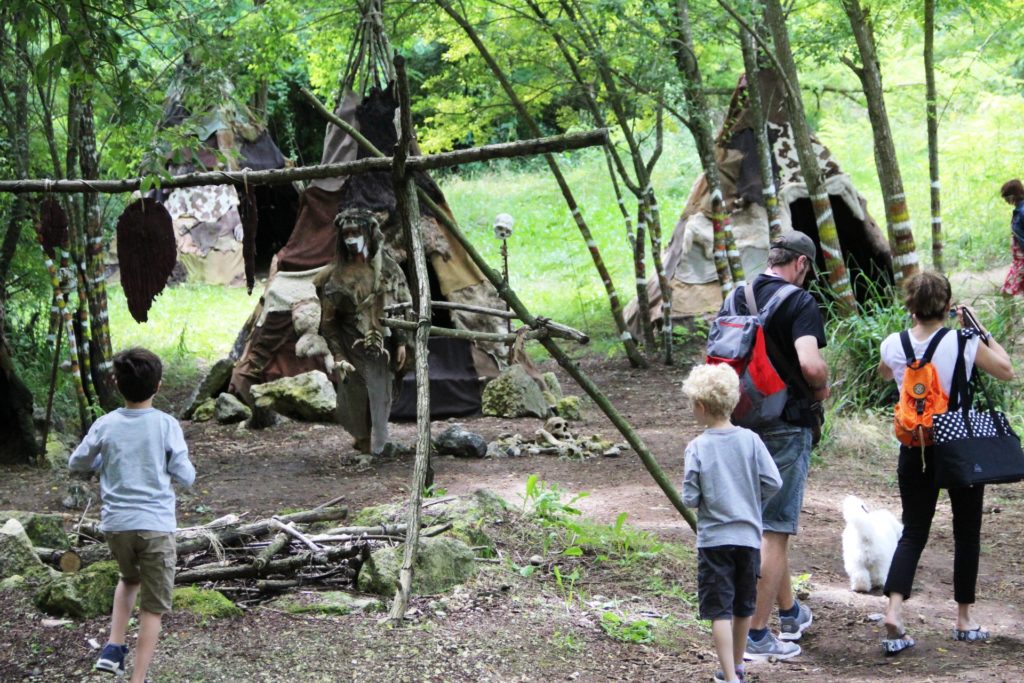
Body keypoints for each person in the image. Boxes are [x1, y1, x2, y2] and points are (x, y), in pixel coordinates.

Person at [877, 271, 1013, 654]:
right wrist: (980, 330)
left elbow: (887, 373)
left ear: (911, 305)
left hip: (915, 446)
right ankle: (964, 620)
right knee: (966, 532)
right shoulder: (962, 341)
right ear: (948, 305)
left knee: (914, 531)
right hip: (959, 446)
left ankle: (894, 609)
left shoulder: (894, 343)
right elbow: (1006, 369)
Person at [717, 231, 830, 660]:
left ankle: (790, 612)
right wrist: (822, 389)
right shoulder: (799, 302)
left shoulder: (736, 295)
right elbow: (810, 364)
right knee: (776, 529)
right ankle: (758, 636)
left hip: (740, 419)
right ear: (801, 264)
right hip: (786, 424)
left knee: (763, 523)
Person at [68, 348, 195, 683]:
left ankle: (113, 646)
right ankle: (138, 679)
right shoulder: (166, 425)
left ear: (116, 383)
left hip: (117, 526)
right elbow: (186, 475)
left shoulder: (105, 424)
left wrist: (99, 464)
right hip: (155, 527)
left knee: (128, 579)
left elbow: (76, 463)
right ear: (158, 385)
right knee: (152, 607)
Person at [682, 364, 782, 683]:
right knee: (742, 606)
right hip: (749, 539)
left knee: (718, 610)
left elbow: (690, 497)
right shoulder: (751, 440)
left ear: (700, 406)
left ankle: (728, 675)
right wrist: (751, 501)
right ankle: (737, 666)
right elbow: (773, 481)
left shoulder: (697, 447)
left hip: (714, 542)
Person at [315, 207, 410, 458]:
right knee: (357, 395)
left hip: (384, 342)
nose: (350, 239)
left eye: (356, 233)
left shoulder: (388, 270)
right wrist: (338, 355)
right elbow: (328, 321)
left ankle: (378, 439)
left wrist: (401, 341)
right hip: (351, 343)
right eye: (346, 234)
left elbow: (400, 304)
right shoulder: (334, 277)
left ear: (368, 233)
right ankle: (363, 439)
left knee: (382, 391)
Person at [999, 179, 1024, 296]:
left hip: (1022, 260)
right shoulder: (1019, 211)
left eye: (1006, 197)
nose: (1006, 201)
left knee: (1007, 292)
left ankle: (1010, 315)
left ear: (1014, 195)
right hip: (1018, 259)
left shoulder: (1022, 212)